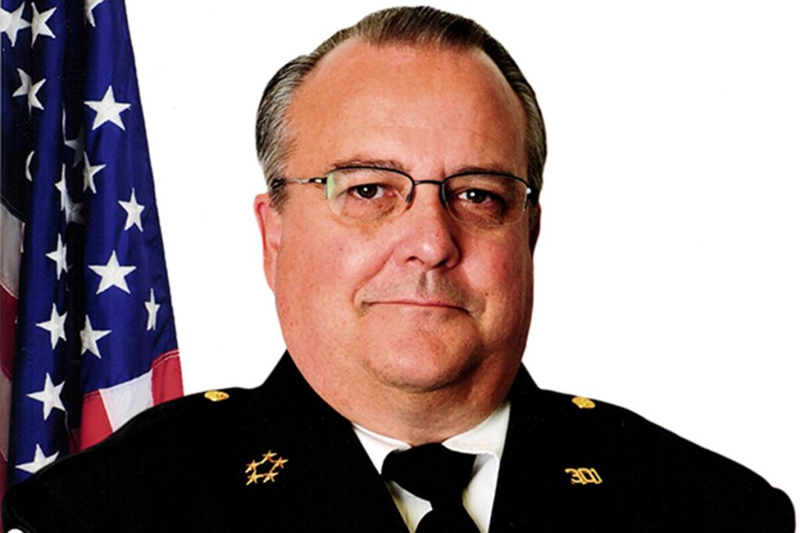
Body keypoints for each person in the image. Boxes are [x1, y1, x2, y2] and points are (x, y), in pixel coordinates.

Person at [3, 6, 794, 532]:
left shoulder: (712, 514)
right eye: (368, 190)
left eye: (478, 194)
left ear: (529, 233)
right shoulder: (107, 513)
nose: (430, 241)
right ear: (273, 235)